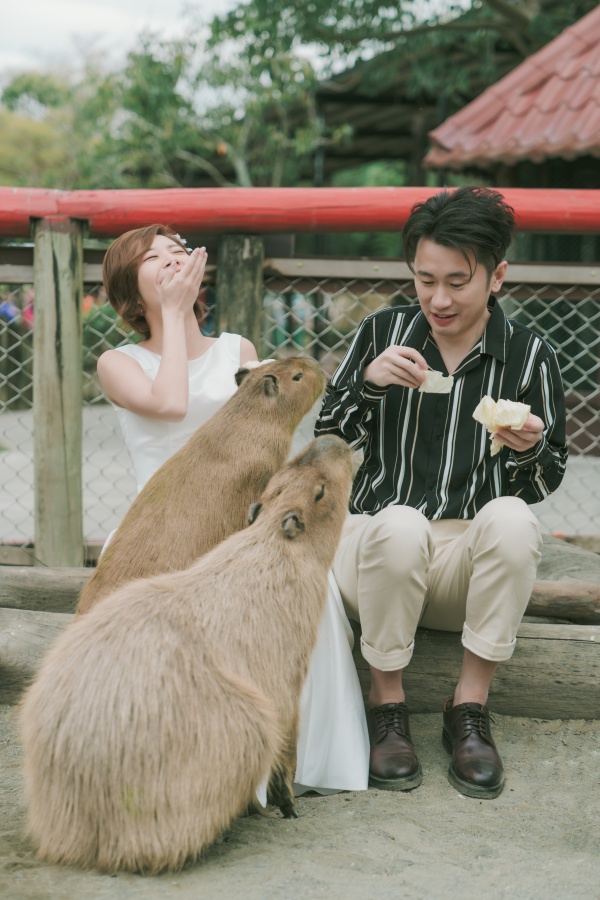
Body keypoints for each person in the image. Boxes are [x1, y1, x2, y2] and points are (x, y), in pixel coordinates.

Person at [97, 223, 369, 798]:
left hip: (245, 519)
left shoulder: (238, 352)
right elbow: (170, 405)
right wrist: (172, 317)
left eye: (177, 251)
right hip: (163, 527)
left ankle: (291, 759)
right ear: (129, 290)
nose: (170, 260)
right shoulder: (117, 363)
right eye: (152, 258)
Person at [315, 185, 568, 799]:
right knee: (400, 524)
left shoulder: (532, 358)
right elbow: (327, 445)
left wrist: (529, 446)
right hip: (371, 546)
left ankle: (470, 711)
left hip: (458, 563)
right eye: (425, 279)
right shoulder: (382, 333)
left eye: (457, 281)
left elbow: (545, 480)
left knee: (510, 518)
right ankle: (388, 708)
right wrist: (369, 385)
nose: (438, 298)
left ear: (497, 275)